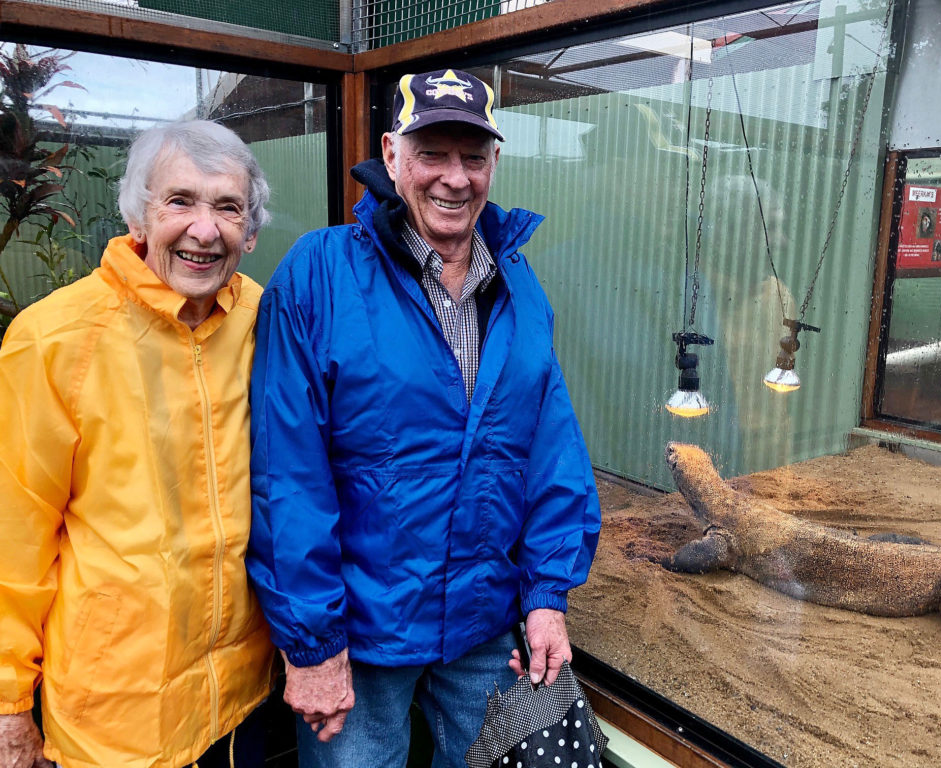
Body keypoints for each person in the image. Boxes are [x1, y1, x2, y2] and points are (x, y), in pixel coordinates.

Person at [246, 68, 601, 766]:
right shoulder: (319, 273)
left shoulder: (519, 285)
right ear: (391, 154)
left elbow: (552, 450)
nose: (454, 178)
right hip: (360, 631)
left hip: (483, 622)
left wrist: (547, 594)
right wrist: (313, 646)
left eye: (473, 157)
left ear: (494, 162)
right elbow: (287, 474)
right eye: (432, 154)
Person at [0, 121, 275, 768]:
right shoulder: (55, 340)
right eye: (180, 201)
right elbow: (12, 538)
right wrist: (9, 705)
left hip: (243, 700)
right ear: (138, 215)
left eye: (228, 207)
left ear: (251, 231)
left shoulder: (266, 318)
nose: (205, 230)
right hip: (117, 722)